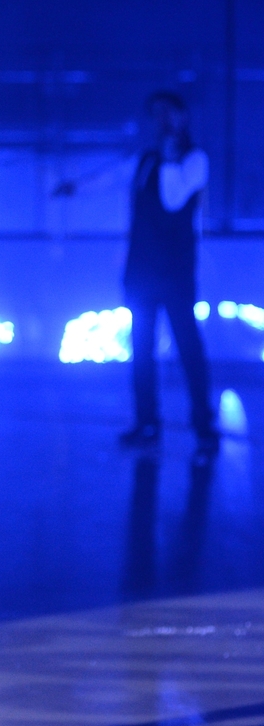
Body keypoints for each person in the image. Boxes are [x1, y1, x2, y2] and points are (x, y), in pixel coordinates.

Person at [119, 92, 216, 460]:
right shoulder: (147, 160)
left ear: (183, 116)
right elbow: (113, 175)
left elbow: (174, 199)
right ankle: (147, 425)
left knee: (188, 349)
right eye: (157, 113)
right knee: (142, 351)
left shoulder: (195, 160)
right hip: (142, 273)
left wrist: (171, 158)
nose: (163, 120)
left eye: (168, 112)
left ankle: (204, 428)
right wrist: (76, 187)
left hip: (175, 274)